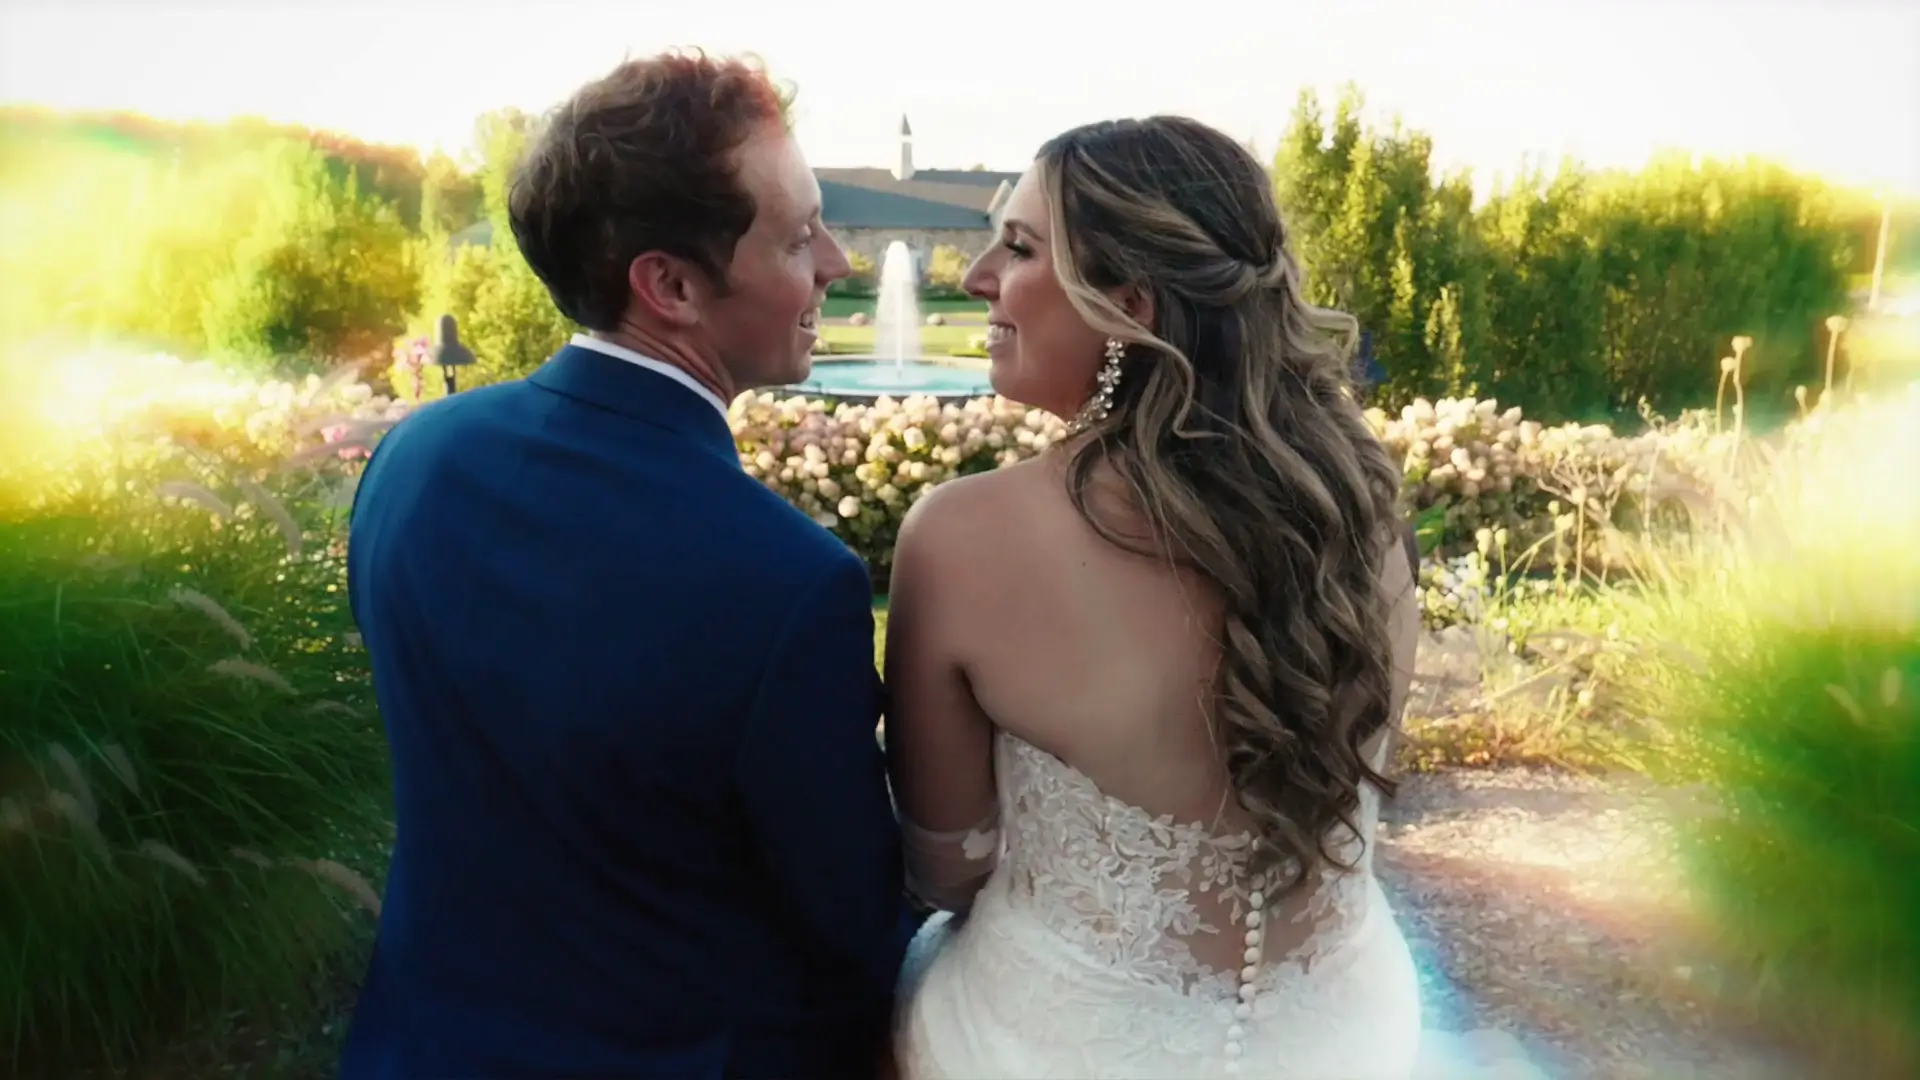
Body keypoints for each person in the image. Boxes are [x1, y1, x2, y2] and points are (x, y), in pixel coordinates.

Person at [882, 116, 1542, 1079]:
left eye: (1018, 249)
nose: (977, 277)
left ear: (1129, 306)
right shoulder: (1356, 505)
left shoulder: (960, 538)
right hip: (1347, 1040)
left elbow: (946, 870)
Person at [339, 51, 916, 1079]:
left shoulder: (413, 457)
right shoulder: (786, 582)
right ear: (672, 285)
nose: (836, 262)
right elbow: (850, 922)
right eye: (798, 236)